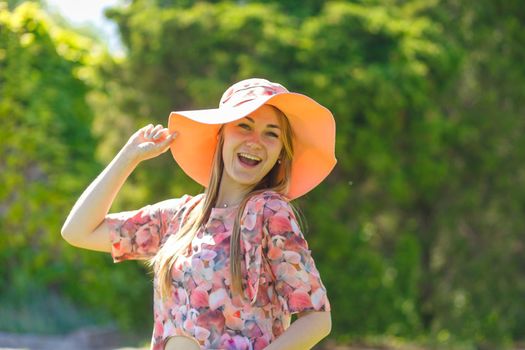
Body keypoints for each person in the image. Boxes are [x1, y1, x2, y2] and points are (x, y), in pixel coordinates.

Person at [61, 78, 337, 350]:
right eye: (244, 125)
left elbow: (317, 319)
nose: (256, 141)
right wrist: (128, 156)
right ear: (221, 136)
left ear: (280, 152)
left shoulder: (268, 212)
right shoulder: (180, 217)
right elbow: (77, 231)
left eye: (271, 134)